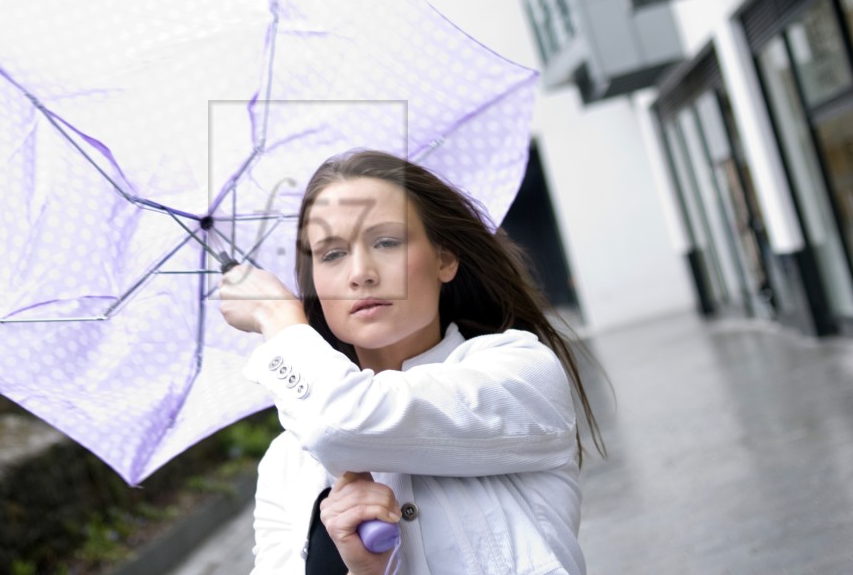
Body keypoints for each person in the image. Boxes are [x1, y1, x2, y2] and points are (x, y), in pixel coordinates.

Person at [219, 149, 604, 575]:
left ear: (444, 259)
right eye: (331, 254)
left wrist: (279, 320)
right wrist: (365, 571)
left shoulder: (520, 371)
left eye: (386, 241)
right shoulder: (287, 463)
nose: (360, 273)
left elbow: (345, 422)